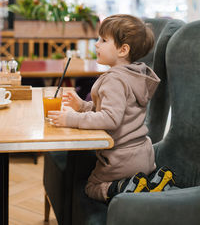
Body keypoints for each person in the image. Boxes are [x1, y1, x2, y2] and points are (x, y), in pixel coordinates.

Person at [48, 14, 174, 203]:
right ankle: (151, 184)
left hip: (120, 158)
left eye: (103, 40)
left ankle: (121, 187)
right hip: (144, 154)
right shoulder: (135, 75)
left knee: (91, 187)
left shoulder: (114, 79)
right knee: (139, 182)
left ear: (123, 50)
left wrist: (71, 118)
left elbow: (109, 119)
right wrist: (82, 106)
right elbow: (118, 110)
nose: (97, 44)